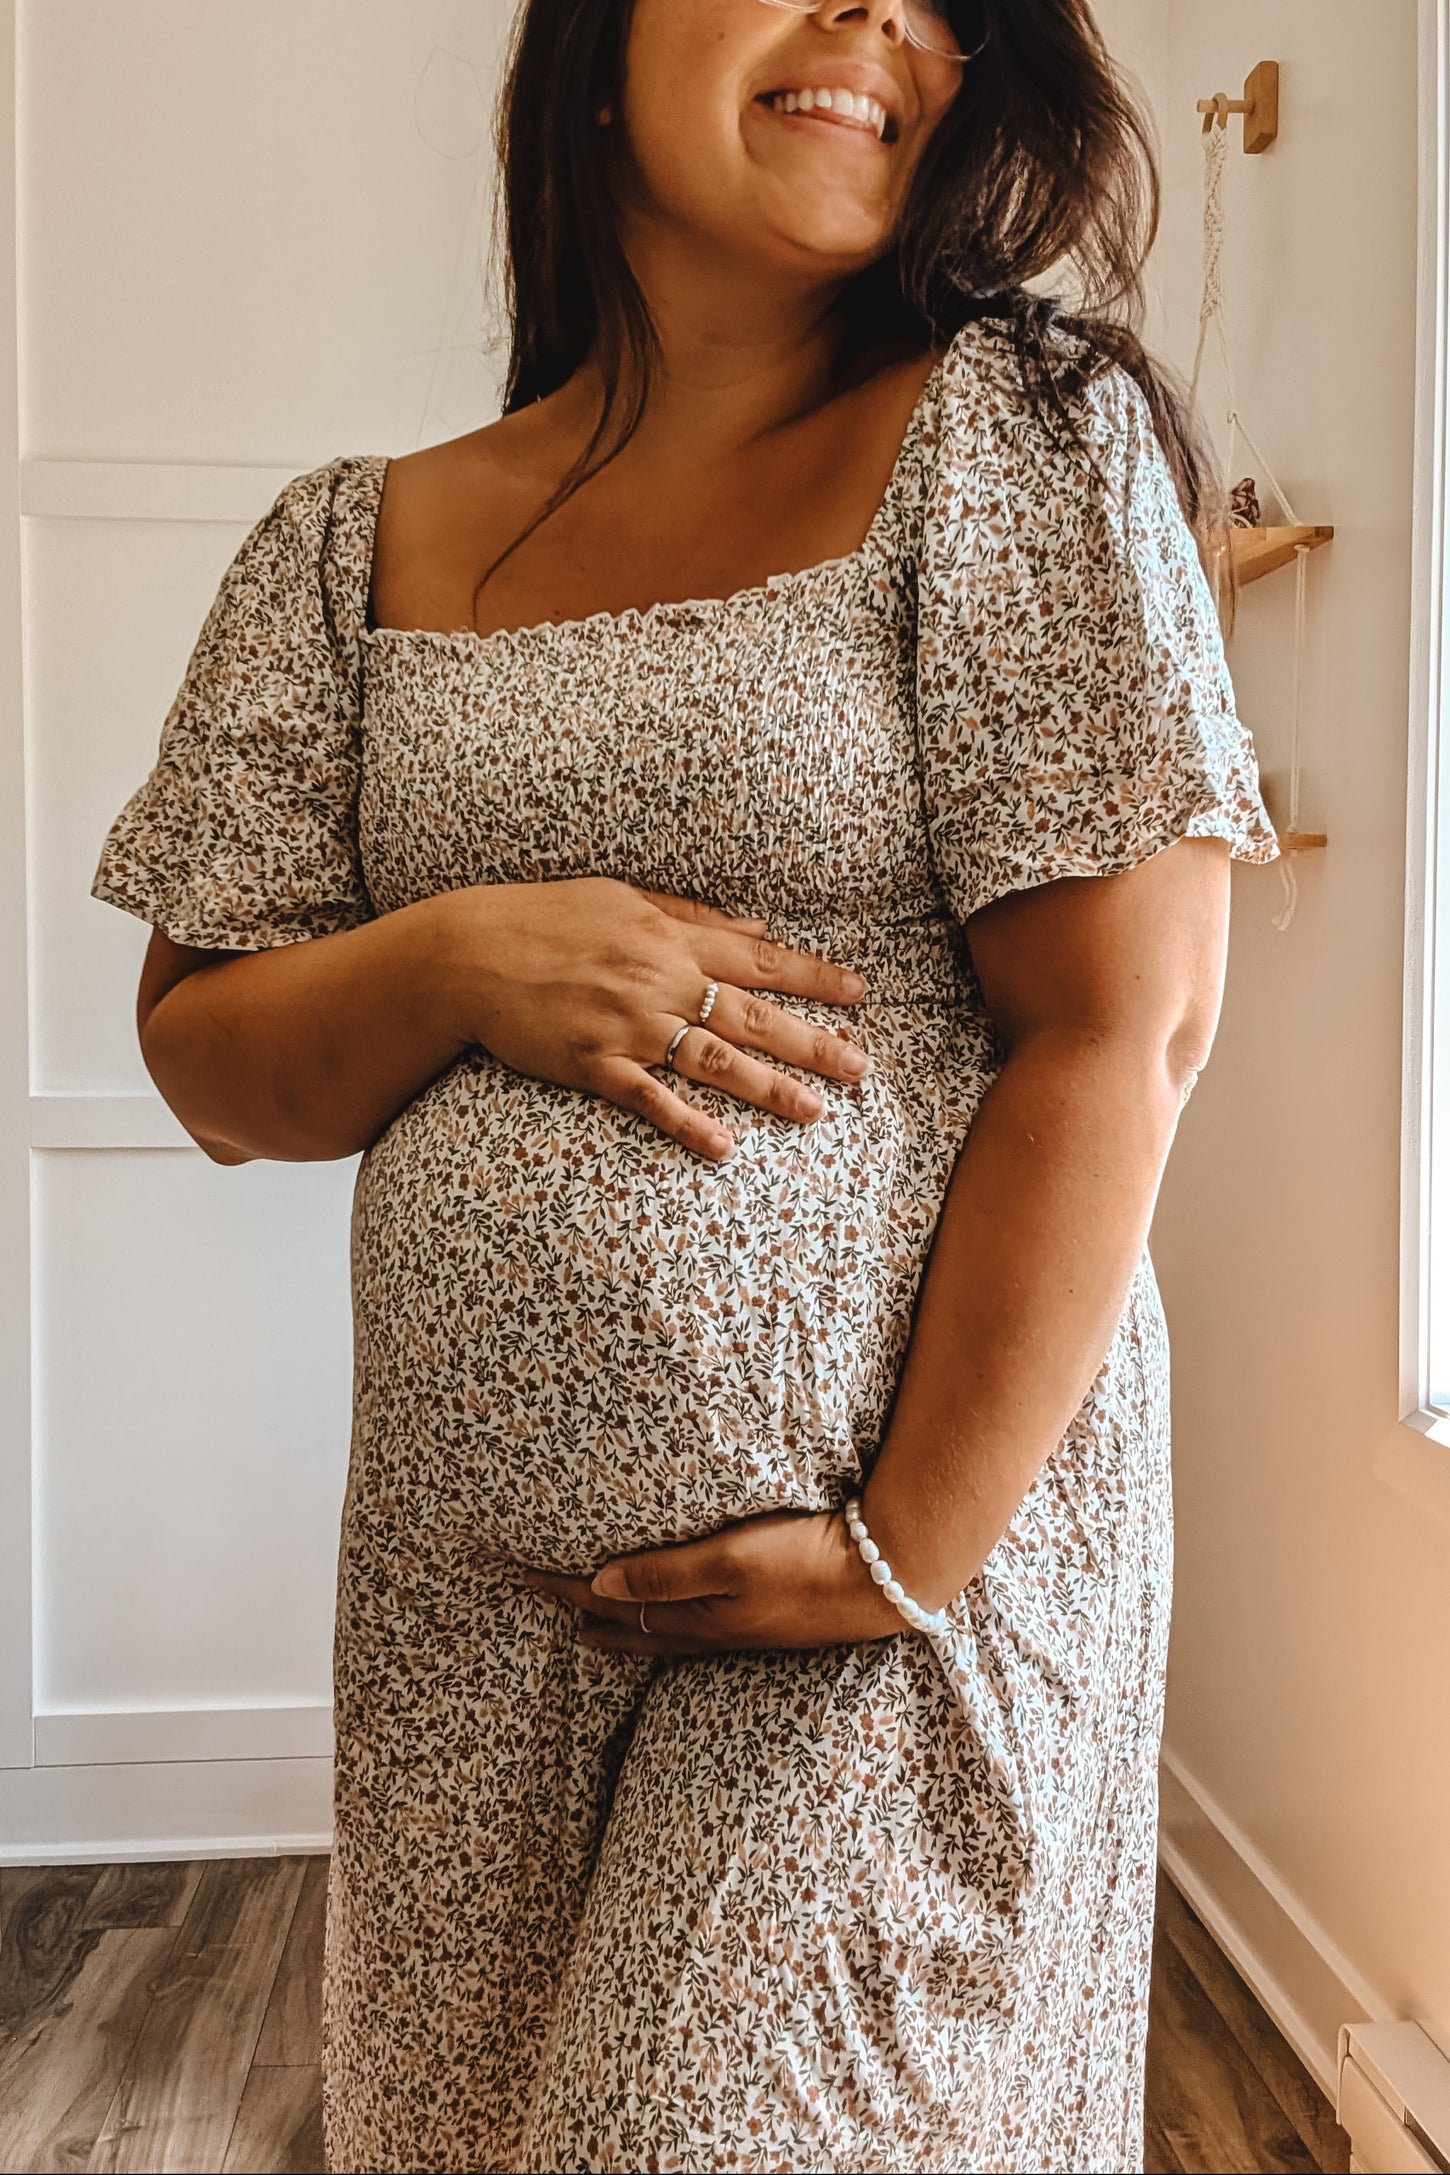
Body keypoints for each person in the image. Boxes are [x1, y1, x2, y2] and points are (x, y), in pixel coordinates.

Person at [90, 1, 1281, 2169]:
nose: (873, 23)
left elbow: (1126, 1019)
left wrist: (907, 1546)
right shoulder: (344, 548)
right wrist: (455, 951)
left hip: (892, 1566)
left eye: (935, 0)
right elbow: (213, 1059)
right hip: (470, 1609)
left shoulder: (1010, 433)